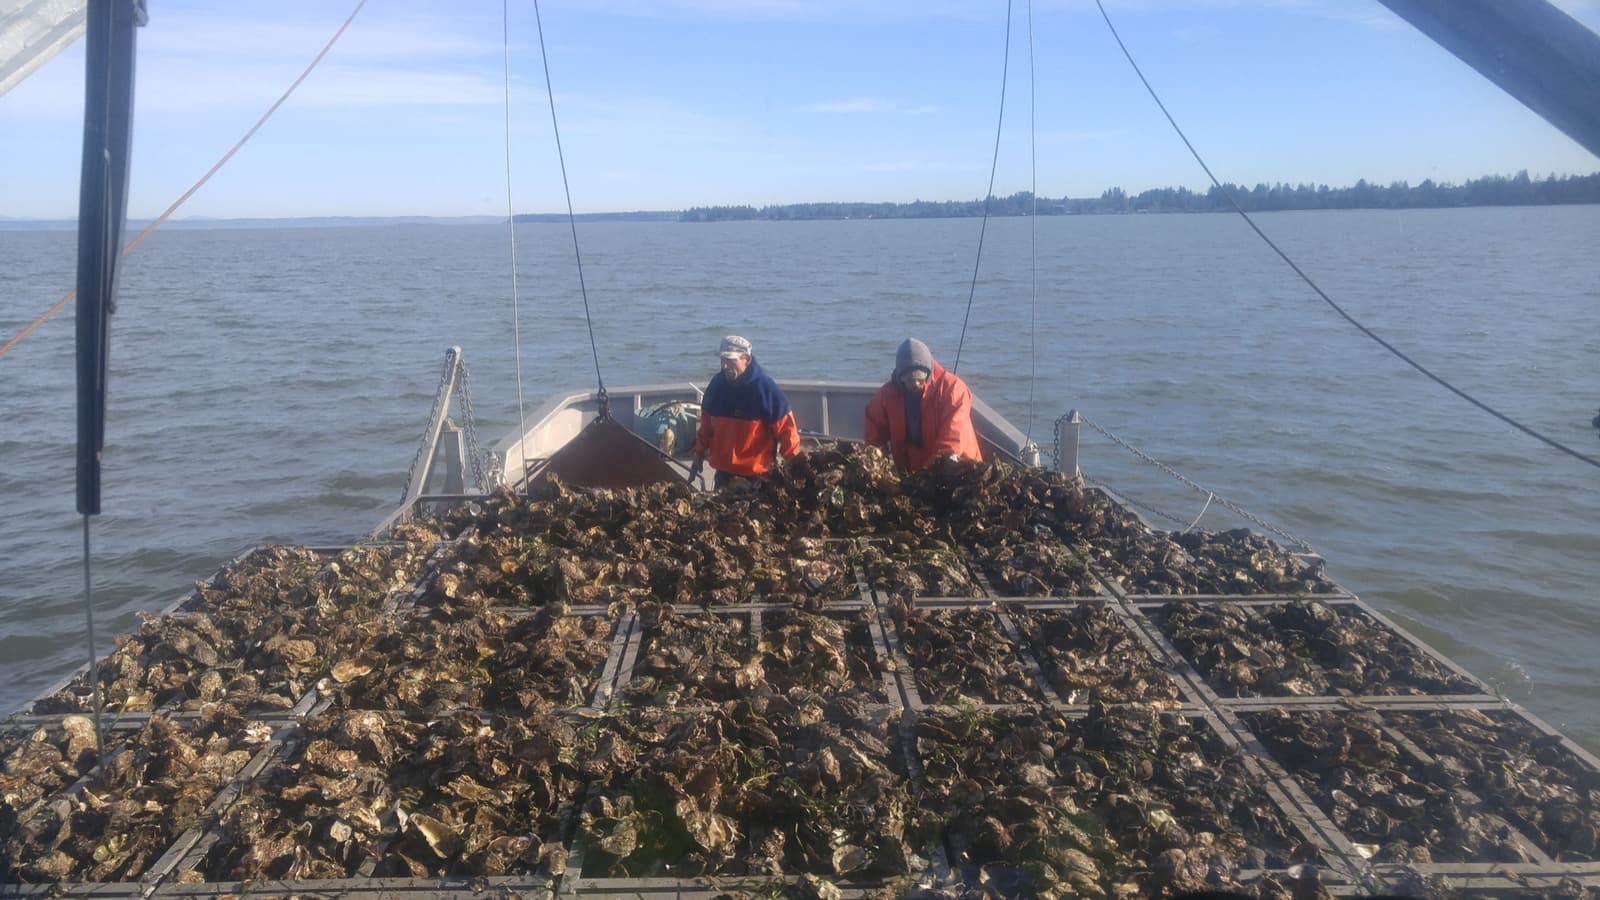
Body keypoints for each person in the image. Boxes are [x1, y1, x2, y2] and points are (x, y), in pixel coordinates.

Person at [689, 335, 802, 487]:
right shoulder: (716, 386)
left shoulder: (765, 389)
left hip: (758, 478)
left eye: (731, 360)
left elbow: (787, 431)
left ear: (747, 360)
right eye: (722, 360)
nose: (725, 366)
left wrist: (794, 468)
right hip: (724, 475)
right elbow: (706, 427)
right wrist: (698, 454)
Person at [864, 338, 981, 472]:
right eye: (909, 380)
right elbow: (873, 423)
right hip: (912, 471)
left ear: (929, 373)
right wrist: (875, 460)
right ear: (900, 378)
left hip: (960, 469)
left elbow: (951, 443)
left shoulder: (953, 390)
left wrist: (925, 476)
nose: (916, 384)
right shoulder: (888, 394)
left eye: (920, 378)